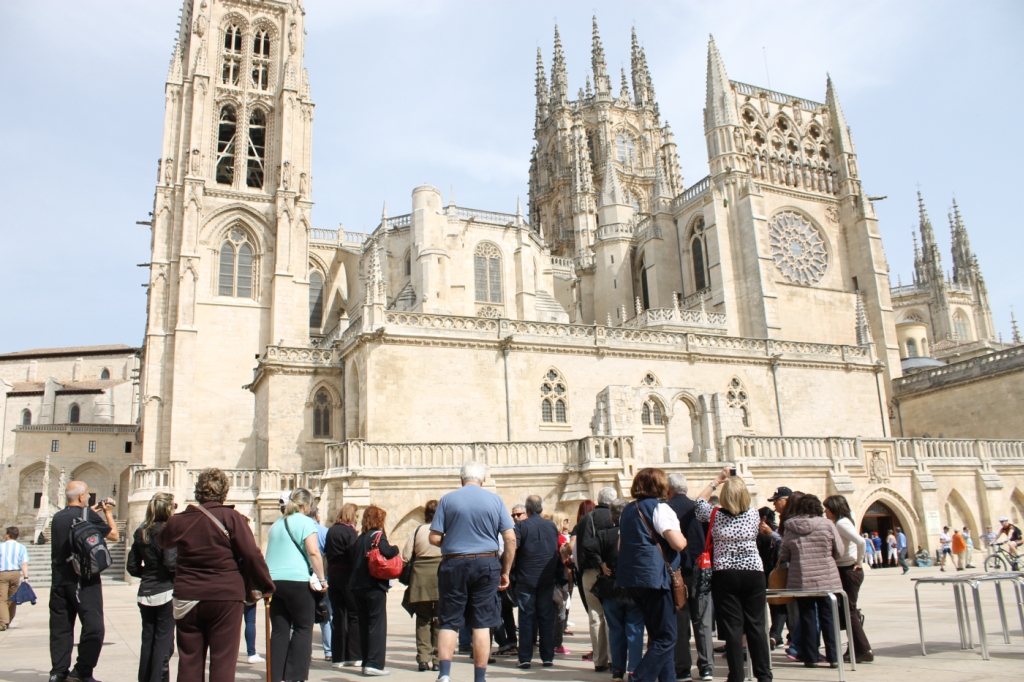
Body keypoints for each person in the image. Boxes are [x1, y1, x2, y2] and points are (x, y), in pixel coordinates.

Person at [158, 468, 274, 682]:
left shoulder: (180, 520)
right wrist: (267, 585)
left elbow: (163, 541)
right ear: (224, 492)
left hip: (188, 594)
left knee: (189, 659)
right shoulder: (232, 517)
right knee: (223, 660)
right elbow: (251, 554)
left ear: (198, 491)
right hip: (225, 595)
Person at [429, 460, 516, 682]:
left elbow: (434, 537)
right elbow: (510, 538)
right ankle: (479, 677)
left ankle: (445, 674)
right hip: (486, 564)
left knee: (448, 620)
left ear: (461, 479)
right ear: (483, 479)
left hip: (454, 563)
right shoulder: (495, 500)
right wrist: (505, 571)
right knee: (482, 622)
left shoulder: (448, 500)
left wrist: (453, 543)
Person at [695, 468, 771, 682]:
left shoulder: (714, 515)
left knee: (733, 628)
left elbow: (699, 502)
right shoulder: (754, 514)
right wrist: (738, 480)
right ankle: (764, 675)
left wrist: (718, 480)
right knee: (756, 625)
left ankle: (736, 676)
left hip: (725, 573)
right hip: (753, 572)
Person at [617, 468, 688, 682]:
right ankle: (639, 678)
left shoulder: (628, 510)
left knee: (658, 636)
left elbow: (621, 546)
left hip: (633, 578)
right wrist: (683, 539)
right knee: (667, 637)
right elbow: (678, 543)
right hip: (656, 579)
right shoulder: (660, 508)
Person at [49, 481, 119, 682]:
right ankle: (82, 671)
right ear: (81, 497)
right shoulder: (88, 517)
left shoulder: (57, 518)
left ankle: (58, 672)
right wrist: (107, 514)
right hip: (83, 580)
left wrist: (89, 513)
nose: (89, 498)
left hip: (59, 581)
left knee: (61, 628)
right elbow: (114, 535)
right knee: (94, 627)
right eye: (88, 495)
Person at [264, 488, 327, 682]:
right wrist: (322, 579)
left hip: (274, 582)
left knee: (280, 629)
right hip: (297, 581)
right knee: (303, 627)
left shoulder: (276, 524)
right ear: (306, 505)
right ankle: (294, 676)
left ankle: (276, 676)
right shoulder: (307, 522)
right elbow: (314, 552)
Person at [779, 494, 843, 669]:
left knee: (807, 617)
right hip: (826, 577)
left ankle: (810, 657)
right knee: (828, 617)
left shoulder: (790, 526)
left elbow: (783, 554)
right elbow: (840, 550)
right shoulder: (827, 524)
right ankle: (834, 656)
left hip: (801, 578)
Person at [586, 497, 644, 682]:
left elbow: (587, 546)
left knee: (616, 630)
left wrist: (600, 562)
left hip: (612, 588)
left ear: (612, 517)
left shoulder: (605, 535)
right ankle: (634, 669)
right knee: (635, 629)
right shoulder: (638, 532)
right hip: (634, 587)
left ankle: (618, 670)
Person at [666, 473, 713, 682]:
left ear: (669, 490)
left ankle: (683, 668)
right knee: (702, 620)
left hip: (677, 572)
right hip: (700, 569)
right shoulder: (697, 508)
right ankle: (706, 668)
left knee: (680, 619)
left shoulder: (665, 509)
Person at [126, 492, 177, 682]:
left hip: (145, 592)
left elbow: (132, 566)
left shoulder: (141, 532)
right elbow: (171, 563)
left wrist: (147, 575)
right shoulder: (166, 532)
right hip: (165, 592)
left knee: (148, 640)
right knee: (163, 643)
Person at [823, 495, 873, 663]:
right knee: (848, 610)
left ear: (834, 508)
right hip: (845, 568)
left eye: (827, 508)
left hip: (849, 569)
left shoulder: (841, 523)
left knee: (849, 610)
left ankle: (864, 649)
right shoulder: (841, 522)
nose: (825, 511)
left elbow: (861, 542)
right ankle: (856, 649)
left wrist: (859, 561)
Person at [350, 504, 399, 676]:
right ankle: (374, 664)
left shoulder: (360, 538)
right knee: (376, 624)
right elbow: (387, 551)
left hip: (357, 587)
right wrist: (396, 549)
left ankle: (365, 661)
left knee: (363, 625)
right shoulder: (378, 536)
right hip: (373, 586)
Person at [512, 495, 559, 669]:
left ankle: (525, 657)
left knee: (526, 617)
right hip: (546, 577)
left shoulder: (521, 526)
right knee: (546, 617)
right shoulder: (551, 526)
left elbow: (514, 548)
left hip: (526, 578)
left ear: (527, 509)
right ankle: (547, 656)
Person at [572, 487, 615, 673]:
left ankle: (599, 660)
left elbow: (581, 548)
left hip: (589, 573)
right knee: (613, 616)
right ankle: (615, 659)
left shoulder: (586, 519)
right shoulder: (615, 518)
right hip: (611, 573)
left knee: (595, 616)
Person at [403, 500, 443, 672]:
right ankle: (437, 659)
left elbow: (405, 556)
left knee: (423, 618)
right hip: (441, 577)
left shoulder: (418, 530)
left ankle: (423, 659)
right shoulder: (444, 531)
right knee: (440, 619)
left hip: (420, 578)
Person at [326, 503, 362, 668]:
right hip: (347, 576)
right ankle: (354, 655)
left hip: (333, 576)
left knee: (338, 616)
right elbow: (354, 554)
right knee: (354, 614)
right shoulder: (350, 531)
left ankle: (338, 657)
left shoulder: (332, 530)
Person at [312, 508, 333, 661]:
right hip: (322, 575)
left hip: (304, 575)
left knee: (300, 617)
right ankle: (328, 651)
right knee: (325, 613)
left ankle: (303, 651)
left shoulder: (299, 529)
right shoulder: (324, 531)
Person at [0, 526, 29, 632]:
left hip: (3, 573)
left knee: (2, 599)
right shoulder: (21, 547)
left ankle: (3, 622)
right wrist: (26, 577)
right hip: (16, 573)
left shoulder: (1, 547)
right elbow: (24, 563)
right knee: (12, 598)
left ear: (8, 535)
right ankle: (8, 619)